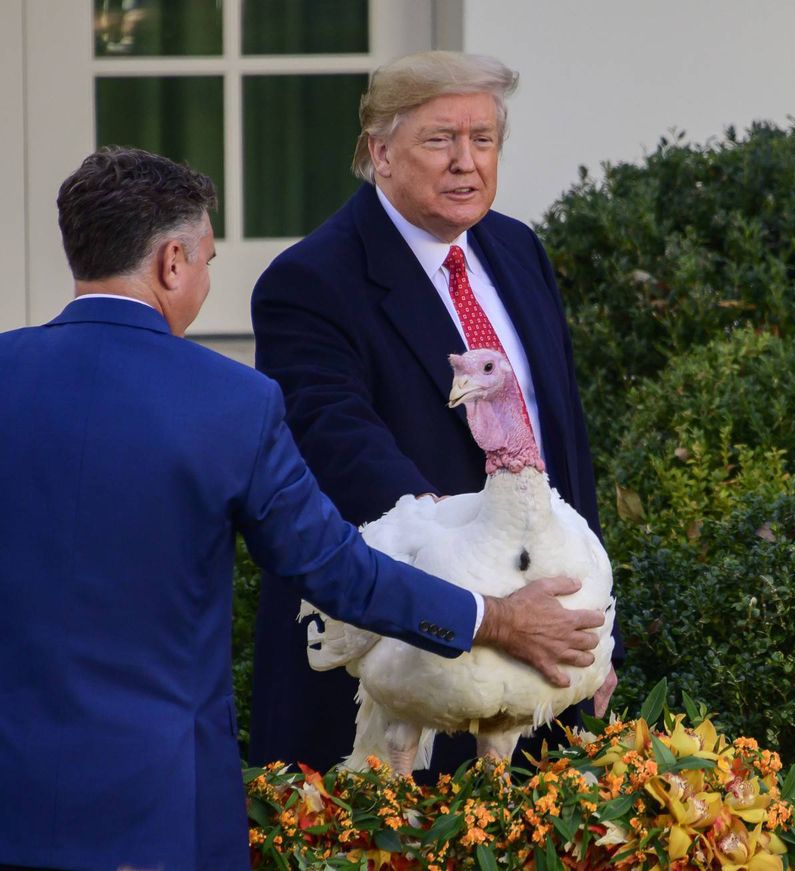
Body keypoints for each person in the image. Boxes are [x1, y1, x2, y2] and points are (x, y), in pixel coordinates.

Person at [0, 148, 604, 871]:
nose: (202, 280)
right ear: (171, 263)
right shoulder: (231, 402)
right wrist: (494, 617)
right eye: (207, 262)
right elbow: (337, 571)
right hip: (162, 807)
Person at [249, 50, 618, 778]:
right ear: (379, 152)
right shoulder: (308, 282)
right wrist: (486, 609)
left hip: (539, 664)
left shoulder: (517, 250)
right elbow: (344, 451)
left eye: (483, 140)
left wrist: (595, 628)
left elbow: (556, 447)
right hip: (399, 663)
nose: (466, 163)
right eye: (440, 139)